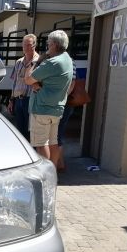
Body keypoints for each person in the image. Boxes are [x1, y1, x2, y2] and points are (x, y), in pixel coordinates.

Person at [24, 30, 73, 170]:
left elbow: (28, 79)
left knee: (41, 143)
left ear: (54, 45)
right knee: (53, 142)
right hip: (56, 108)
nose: (47, 47)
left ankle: (45, 175)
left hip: (41, 109)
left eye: (48, 44)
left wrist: (33, 63)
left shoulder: (52, 63)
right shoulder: (67, 59)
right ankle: (53, 172)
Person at [7, 34, 39, 139]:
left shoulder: (39, 62)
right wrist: (11, 100)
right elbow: (14, 82)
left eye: (29, 45)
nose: (26, 47)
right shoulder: (19, 62)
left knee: (32, 131)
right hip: (18, 100)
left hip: (31, 100)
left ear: (34, 45)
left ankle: (33, 153)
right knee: (20, 131)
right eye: (24, 45)